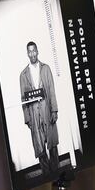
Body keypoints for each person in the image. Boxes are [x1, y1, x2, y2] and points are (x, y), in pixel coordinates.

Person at [19, 41, 59, 175]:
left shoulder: (46, 69)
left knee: (52, 144)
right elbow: (23, 99)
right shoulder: (23, 75)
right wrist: (27, 119)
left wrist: (54, 110)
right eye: (29, 51)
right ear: (27, 54)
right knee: (39, 146)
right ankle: (47, 176)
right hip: (34, 114)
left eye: (34, 50)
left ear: (37, 51)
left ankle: (57, 171)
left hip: (46, 110)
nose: (32, 53)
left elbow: (52, 90)